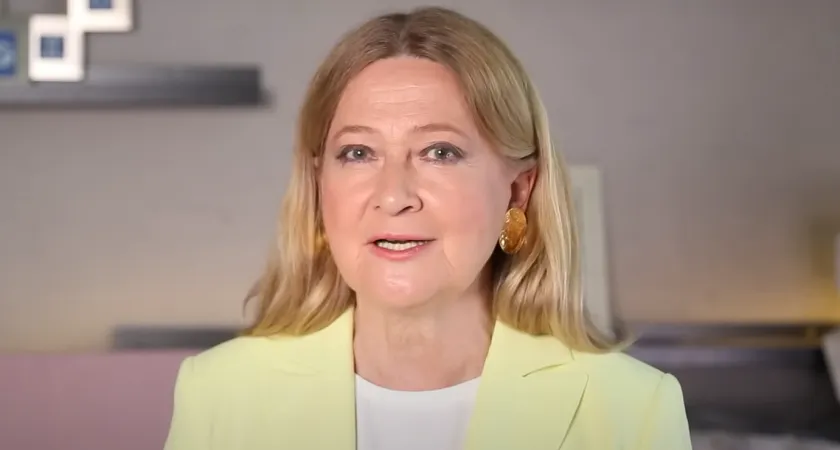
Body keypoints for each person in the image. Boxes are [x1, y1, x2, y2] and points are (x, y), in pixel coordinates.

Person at [163, 6, 692, 450]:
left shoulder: (633, 409)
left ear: (518, 190)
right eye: (358, 152)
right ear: (320, 184)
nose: (394, 196)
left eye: (440, 152)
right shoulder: (219, 395)